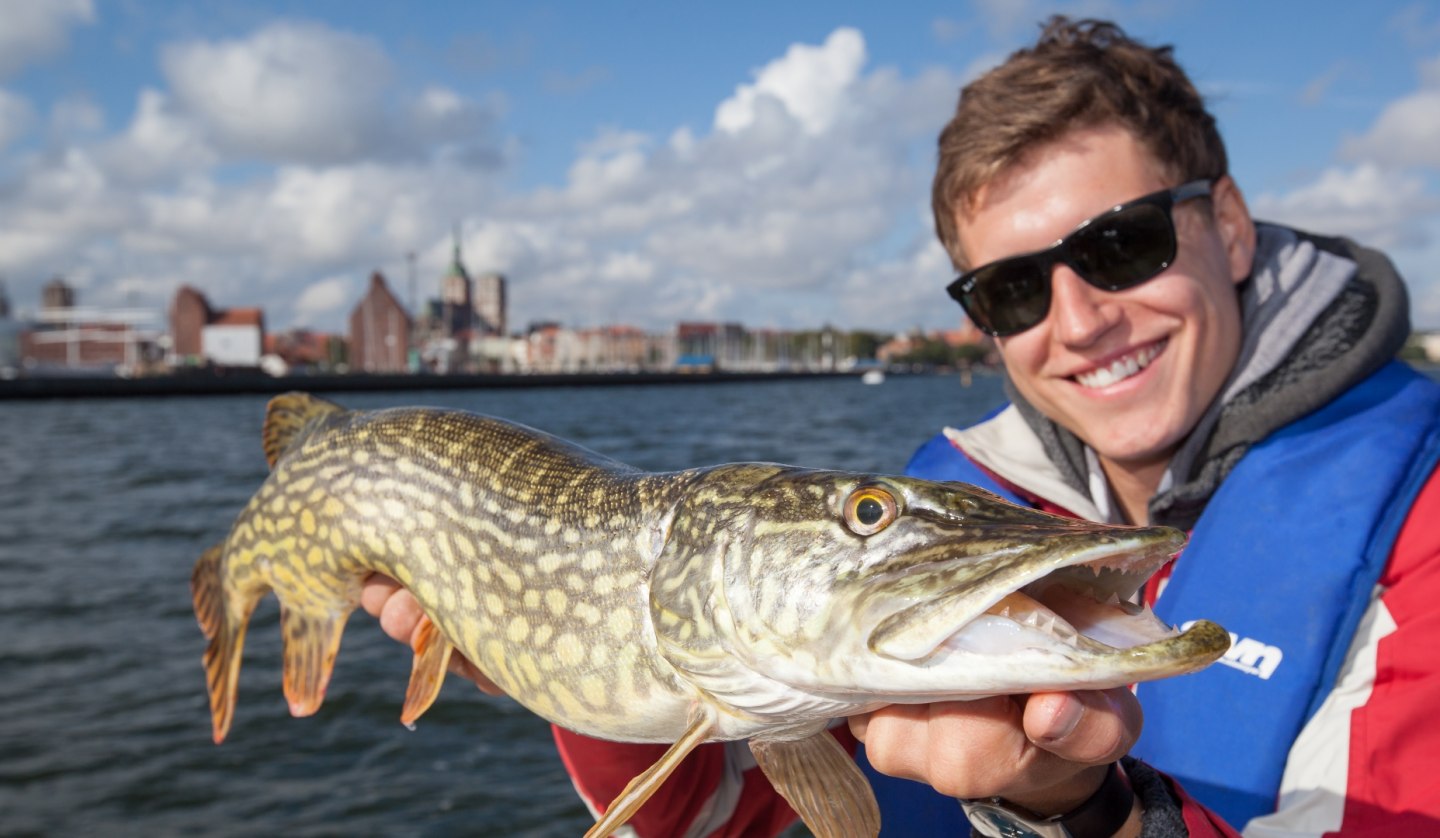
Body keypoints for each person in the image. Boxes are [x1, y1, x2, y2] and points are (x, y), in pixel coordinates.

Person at [362, 17, 1440, 837]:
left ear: (1233, 227)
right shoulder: (951, 510)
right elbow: (778, 822)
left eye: (1122, 245)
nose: (1077, 320)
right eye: (1013, 291)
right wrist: (602, 681)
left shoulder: (1420, 526)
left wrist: (1088, 814)